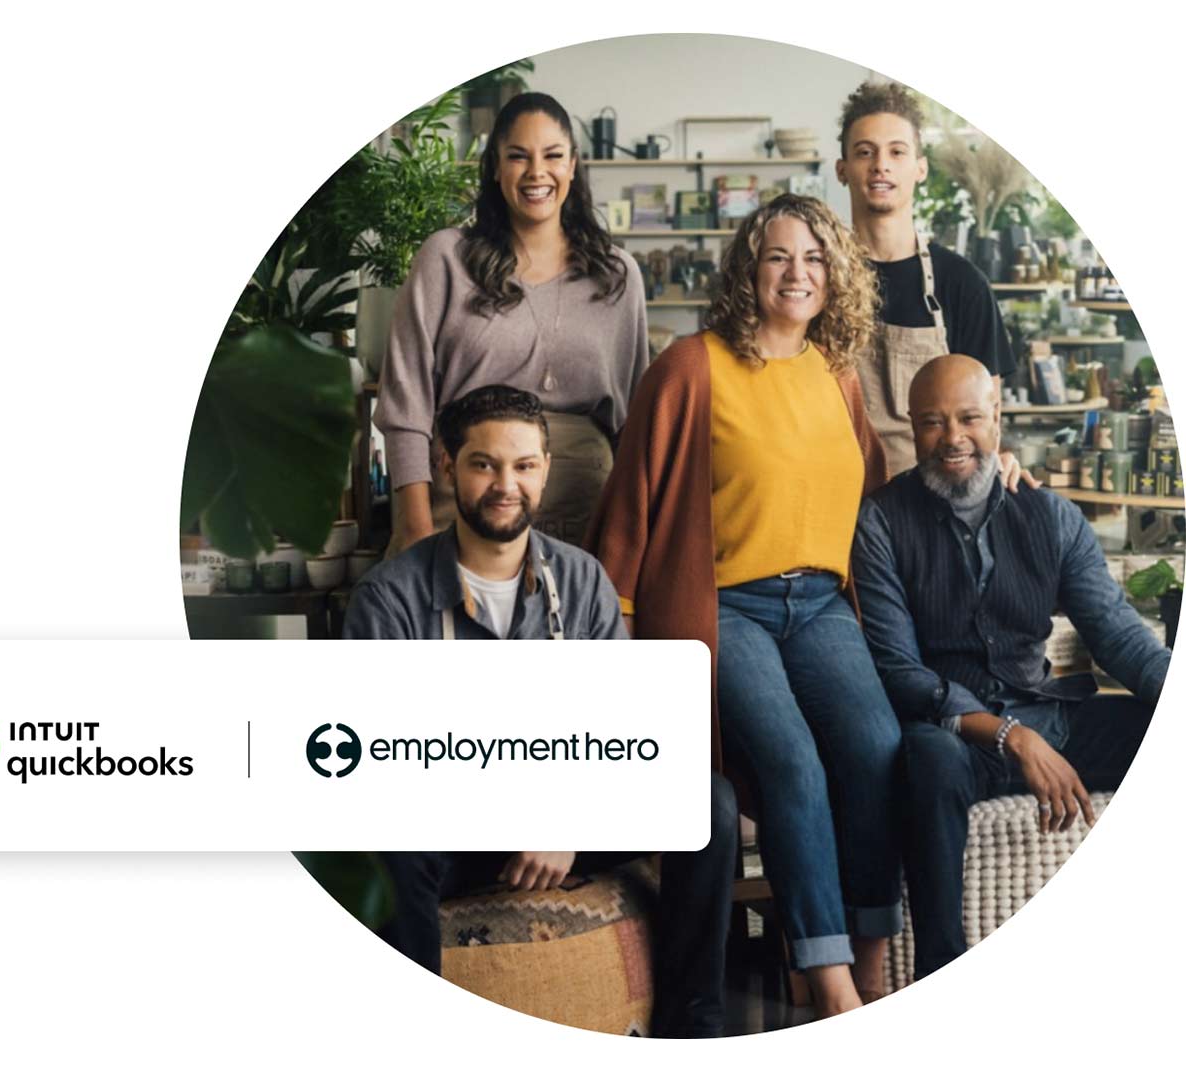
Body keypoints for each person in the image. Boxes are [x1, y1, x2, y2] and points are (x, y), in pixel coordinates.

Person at [588, 194, 903, 1018]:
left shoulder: (836, 374)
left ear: (833, 277)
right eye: (777, 257)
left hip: (823, 605)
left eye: (813, 259)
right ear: (747, 270)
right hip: (726, 605)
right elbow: (632, 500)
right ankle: (833, 984)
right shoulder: (692, 365)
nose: (796, 274)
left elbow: (875, 493)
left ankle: (868, 947)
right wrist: (616, 626)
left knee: (875, 744)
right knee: (791, 762)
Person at [343, 385, 739, 1038]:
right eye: (484, 464)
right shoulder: (390, 600)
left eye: (524, 466)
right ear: (447, 467)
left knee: (709, 804)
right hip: (450, 829)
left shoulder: (582, 581)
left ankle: (690, 1029)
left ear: (546, 470)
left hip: (563, 808)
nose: (506, 484)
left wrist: (565, 821)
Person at [852, 353, 1169, 979]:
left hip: (1050, 716)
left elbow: (1115, 635)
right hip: (956, 737)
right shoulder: (882, 521)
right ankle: (940, 971)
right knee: (927, 763)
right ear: (913, 429)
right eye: (933, 423)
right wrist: (1005, 735)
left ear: (997, 417)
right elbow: (897, 670)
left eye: (969, 417)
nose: (953, 439)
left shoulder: (1049, 516)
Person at [374, 91, 649, 553]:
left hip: (585, 508)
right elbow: (406, 405)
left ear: (573, 166)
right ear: (495, 168)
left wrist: (632, 543)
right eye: (518, 156)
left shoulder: (617, 275)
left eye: (553, 156)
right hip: (460, 501)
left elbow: (635, 425)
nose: (536, 172)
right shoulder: (446, 259)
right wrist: (413, 526)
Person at [835, 80, 1019, 478]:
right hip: (834, 497)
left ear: (920, 168)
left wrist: (1001, 462)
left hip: (928, 504)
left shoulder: (962, 284)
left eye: (897, 152)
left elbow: (987, 417)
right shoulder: (819, 280)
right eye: (865, 152)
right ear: (842, 169)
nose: (880, 164)